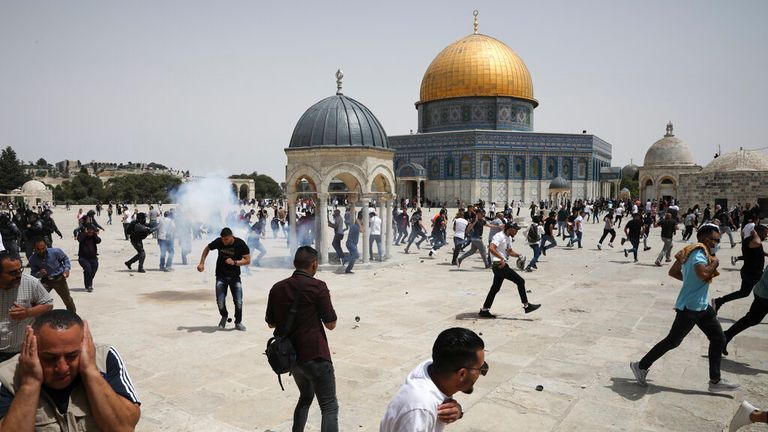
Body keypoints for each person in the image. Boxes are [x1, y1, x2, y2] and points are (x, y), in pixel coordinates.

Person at [630, 225, 739, 392]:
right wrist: (715, 264)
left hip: (702, 306)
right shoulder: (698, 254)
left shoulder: (691, 251)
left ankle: (715, 381)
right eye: (716, 240)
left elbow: (673, 272)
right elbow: (703, 274)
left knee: (718, 339)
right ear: (705, 240)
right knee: (672, 341)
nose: (718, 242)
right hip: (690, 308)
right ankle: (641, 366)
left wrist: (689, 281)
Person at [0, 309, 141, 430]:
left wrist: (91, 371)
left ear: (85, 344)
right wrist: (29, 384)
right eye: (50, 358)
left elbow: (124, 427)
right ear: (32, 347)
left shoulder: (104, 358)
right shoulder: (6, 375)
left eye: (72, 355)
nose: (62, 368)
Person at [265, 246, 338, 431]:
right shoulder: (318, 287)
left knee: (305, 397)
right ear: (314, 265)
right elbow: (331, 324)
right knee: (329, 406)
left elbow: (271, 323)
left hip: (293, 359)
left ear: (294, 264)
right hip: (316, 356)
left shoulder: (277, 287)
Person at [380, 328, 483, 431]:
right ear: (462, 374)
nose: (482, 373)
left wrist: (458, 412)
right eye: (480, 368)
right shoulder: (421, 410)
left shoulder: (432, 367)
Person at [478, 222, 540, 318]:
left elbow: (509, 251)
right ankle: (527, 306)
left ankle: (484, 310)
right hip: (499, 265)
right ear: (509, 229)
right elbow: (491, 248)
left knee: (495, 289)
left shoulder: (509, 238)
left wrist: (519, 255)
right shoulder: (499, 236)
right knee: (520, 281)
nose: (516, 232)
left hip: (500, 265)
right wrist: (501, 258)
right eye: (515, 230)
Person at [0, 251, 53, 362]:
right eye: (13, 273)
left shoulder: (30, 283)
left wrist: (28, 312)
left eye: (20, 270)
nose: (19, 275)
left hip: (21, 352)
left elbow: (48, 304)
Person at [197, 227, 251, 331]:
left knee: (238, 301)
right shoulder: (219, 241)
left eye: (226, 239)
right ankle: (224, 316)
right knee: (220, 301)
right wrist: (202, 263)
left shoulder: (240, 244)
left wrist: (235, 262)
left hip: (235, 277)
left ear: (232, 237)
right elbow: (207, 248)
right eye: (223, 239)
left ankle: (238, 322)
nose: (224, 242)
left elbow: (248, 260)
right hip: (221, 276)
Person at [713, 224, 767, 312]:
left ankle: (718, 301)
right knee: (761, 292)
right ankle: (755, 314)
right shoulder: (750, 241)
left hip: (752, 273)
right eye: (765, 233)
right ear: (757, 232)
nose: (766, 235)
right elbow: (756, 243)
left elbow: (758, 250)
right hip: (752, 273)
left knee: (744, 293)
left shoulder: (755, 241)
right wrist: (755, 233)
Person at [29, 239, 77, 313]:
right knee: (37, 300)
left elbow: (65, 259)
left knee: (67, 299)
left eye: (43, 248)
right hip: (46, 281)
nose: (41, 251)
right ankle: (40, 318)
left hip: (59, 279)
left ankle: (73, 315)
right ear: (34, 249)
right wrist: (39, 273)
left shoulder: (56, 252)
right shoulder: (33, 259)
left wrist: (67, 269)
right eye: (38, 249)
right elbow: (33, 273)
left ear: (46, 246)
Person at [77, 224, 101, 293]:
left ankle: (88, 281)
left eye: (91, 230)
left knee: (93, 271)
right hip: (83, 258)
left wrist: (95, 235)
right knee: (88, 270)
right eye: (89, 230)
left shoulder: (93, 236)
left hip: (93, 258)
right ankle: (89, 285)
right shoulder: (81, 235)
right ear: (86, 230)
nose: (90, 232)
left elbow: (99, 241)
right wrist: (85, 234)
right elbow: (80, 240)